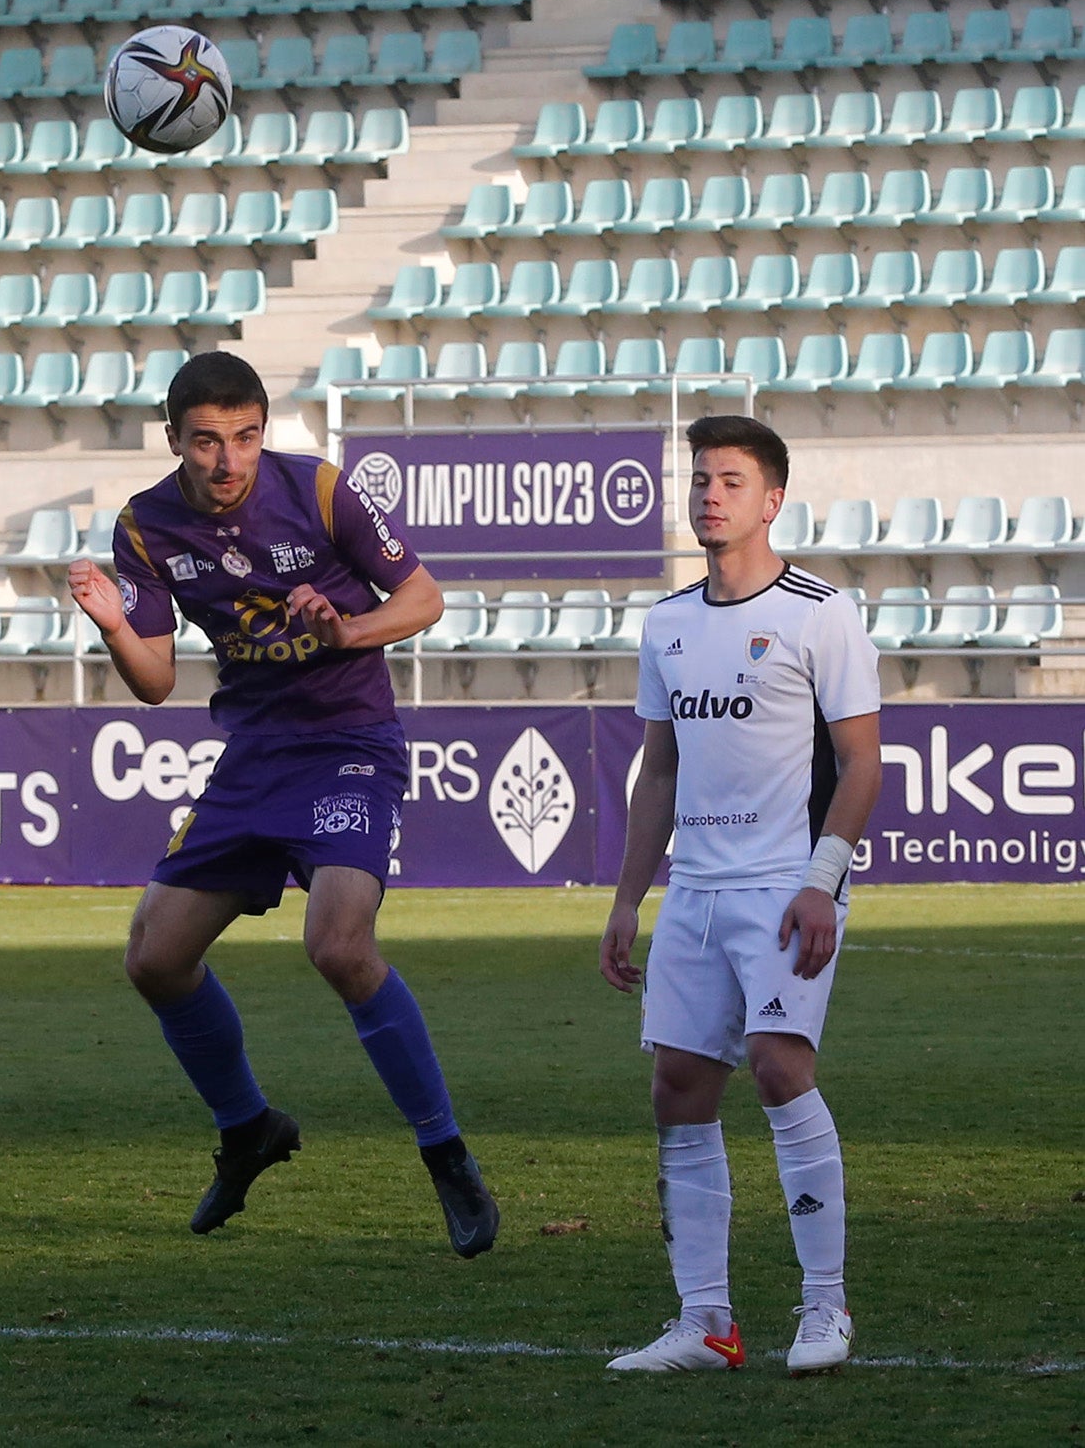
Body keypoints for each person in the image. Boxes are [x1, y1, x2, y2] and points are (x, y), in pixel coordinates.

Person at [67, 350, 498, 1259]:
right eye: (208, 442)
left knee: (339, 943)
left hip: (347, 742)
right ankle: (248, 1126)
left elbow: (423, 595)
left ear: (265, 429)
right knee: (154, 956)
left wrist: (349, 629)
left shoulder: (321, 490)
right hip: (254, 759)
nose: (229, 461)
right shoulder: (145, 527)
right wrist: (113, 625)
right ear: (175, 439)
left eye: (246, 437)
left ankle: (445, 1152)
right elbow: (153, 681)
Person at [598, 414, 882, 1375]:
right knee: (678, 1087)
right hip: (696, 891)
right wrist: (628, 898)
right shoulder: (667, 623)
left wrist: (821, 881)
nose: (709, 495)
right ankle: (707, 1323)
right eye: (700, 480)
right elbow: (659, 772)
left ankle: (825, 1307)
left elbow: (862, 764)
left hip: (787, 884)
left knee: (775, 1064)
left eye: (730, 480)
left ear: (772, 499)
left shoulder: (821, 613)